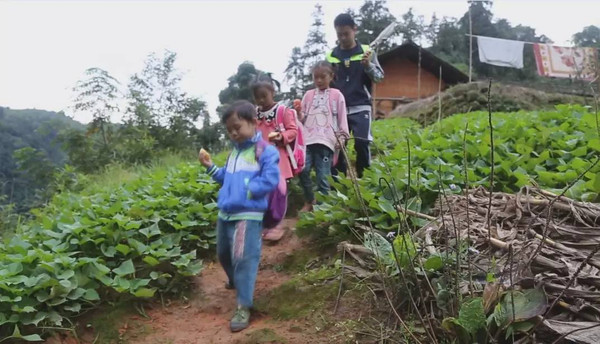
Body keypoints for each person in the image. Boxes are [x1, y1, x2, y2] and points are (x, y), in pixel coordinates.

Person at [198, 100, 279, 332]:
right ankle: (235, 281)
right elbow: (227, 178)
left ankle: (244, 305)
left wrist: (249, 190)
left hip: (248, 214)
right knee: (223, 253)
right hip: (226, 213)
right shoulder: (234, 153)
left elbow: (271, 180)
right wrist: (210, 167)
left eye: (238, 127)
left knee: (243, 258)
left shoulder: (265, 151)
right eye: (230, 130)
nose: (234, 133)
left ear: (253, 123)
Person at [326, 13, 384, 178]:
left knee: (362, 142)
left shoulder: (367, 52)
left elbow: (379, 77)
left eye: (346, 33)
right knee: (338, 146)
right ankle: (339, 184)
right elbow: (326, 81)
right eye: (339, 34)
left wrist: (368, 66)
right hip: (338, 109)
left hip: (361, 106)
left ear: (354, 30)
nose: (343, 38)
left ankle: (364, 181)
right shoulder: (331, 56)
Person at [297, 61, 349, 212]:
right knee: (302, 169)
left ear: (331, 76)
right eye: (316, 77)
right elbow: (302, 119)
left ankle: (323, 209)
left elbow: (342, 118)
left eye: (322, 77)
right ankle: (309, 200)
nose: (319, 80)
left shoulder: (337, 95)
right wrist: (299, 112)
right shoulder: (308, 95)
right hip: (307, 140)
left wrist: (343, 136)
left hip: (326, 142)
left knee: (323, 177)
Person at [252, 78, 298, 241]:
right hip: (260, 160)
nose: (261, 100)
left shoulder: (282, 110)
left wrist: (282, 136)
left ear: (273, 93)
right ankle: (266, 225)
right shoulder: (255, 113)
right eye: (257, 97)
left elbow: (293, 130)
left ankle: (277, 225)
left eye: (264, 96)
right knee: (264, 193)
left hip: (279, 158)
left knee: (278, 192)